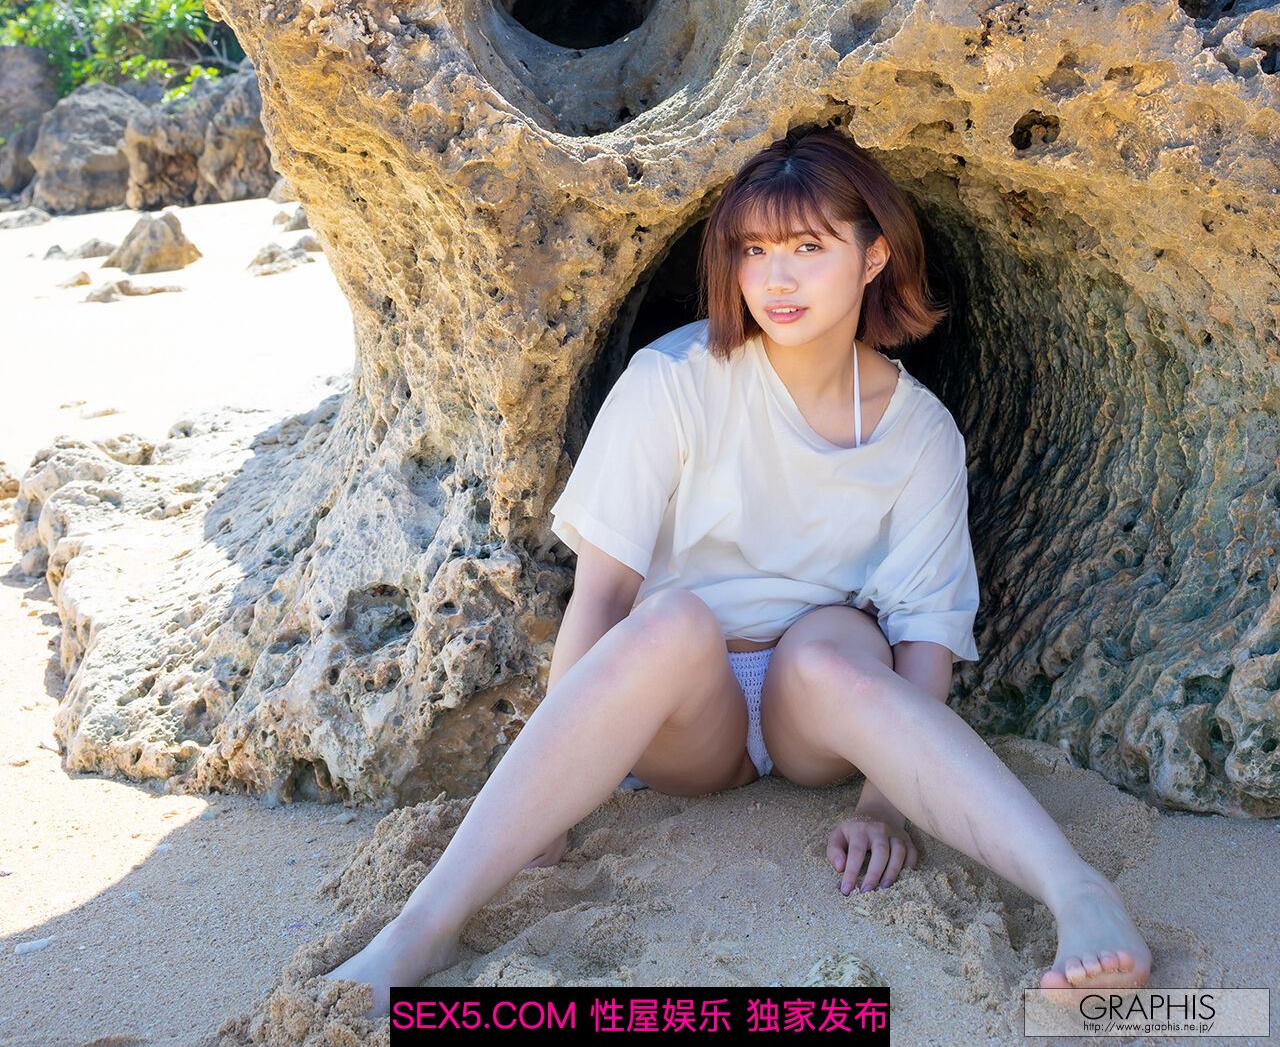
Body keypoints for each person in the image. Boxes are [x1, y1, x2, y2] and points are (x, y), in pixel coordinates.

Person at [326, 126, 1152, 1012]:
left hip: (816, 714)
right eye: (754, 251)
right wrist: (553, 815)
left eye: (808, 248)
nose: (776, 279)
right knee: (671, 618)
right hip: (686, 709)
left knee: (833, 641)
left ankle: (1079, 894)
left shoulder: (920, 433)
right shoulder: (673, 378)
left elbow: (925, 633)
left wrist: (880, 806)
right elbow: (600, 597)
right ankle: (421, 929)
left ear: (874, 256)